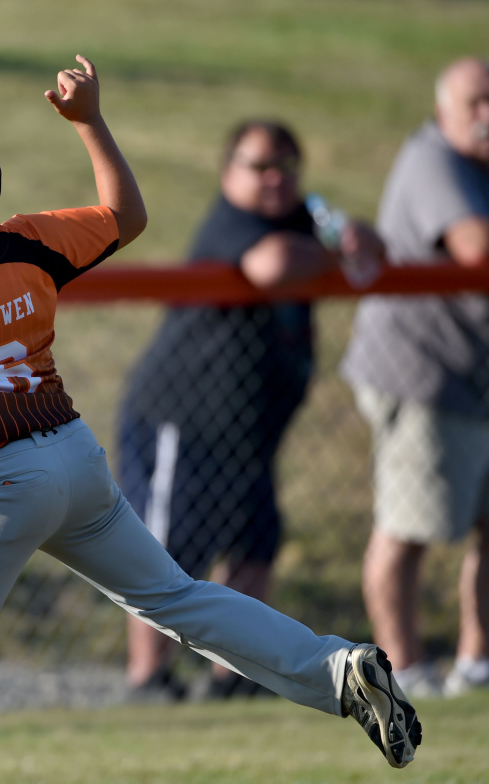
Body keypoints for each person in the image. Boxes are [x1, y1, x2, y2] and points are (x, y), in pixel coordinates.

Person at [0, 55, 421, 768]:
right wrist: (90, 123)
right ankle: (333, 668)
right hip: (74, 460)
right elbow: (126, 216)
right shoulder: (29, 240)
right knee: (175, 597)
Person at [115, 120, 386, 701]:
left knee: (253, 547)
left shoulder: (305, 220)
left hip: (252, 429)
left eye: (286, 167)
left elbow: (374, 249)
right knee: (165, 552)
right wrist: (337, 248)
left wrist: (352, 233)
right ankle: (148, 677)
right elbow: (270, 266)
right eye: (259, 166)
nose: (274, 179)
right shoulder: (233, 222)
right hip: (183, 418)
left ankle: (235, 676)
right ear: (228, 170)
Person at [341, 57, 489, 699]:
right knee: (407, 528)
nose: (487, 117)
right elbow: (476, 249)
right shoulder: (435, 160)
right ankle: (405, 675)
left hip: (475, 376)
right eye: (475, 104)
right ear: (444, 109)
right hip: (423, 377)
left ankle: (477, 664)